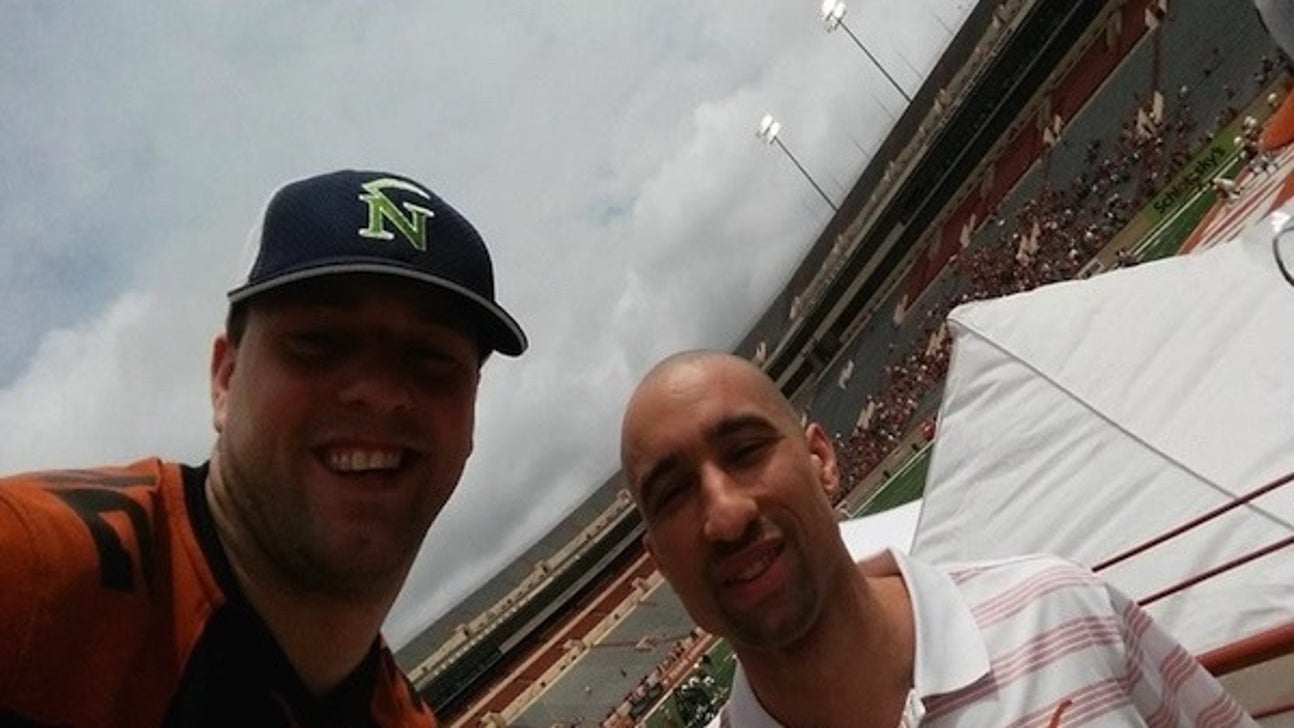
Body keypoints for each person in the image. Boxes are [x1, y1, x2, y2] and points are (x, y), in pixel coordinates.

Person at [0, 169, 528, 727]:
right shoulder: (29, 568)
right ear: (225, 379)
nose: (379, 392)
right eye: (320, 341)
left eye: (431, 357)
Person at [619, 350, 1257, 728]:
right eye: (673, 494)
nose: (726, 514)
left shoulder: (1059, 609)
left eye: (746, 450)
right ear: (660, 563)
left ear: (822, 460)